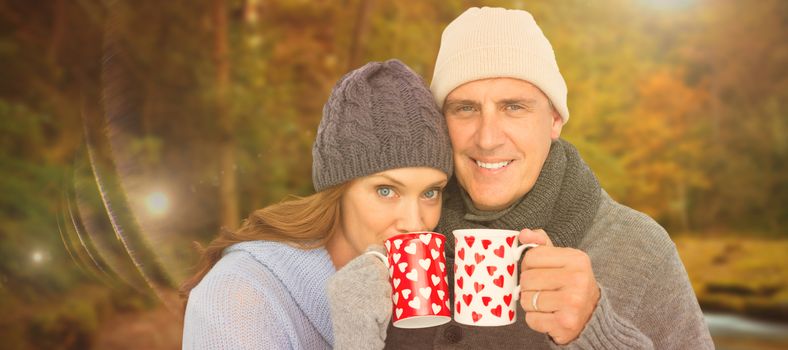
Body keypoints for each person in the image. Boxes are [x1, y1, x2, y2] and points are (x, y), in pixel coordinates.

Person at [382, 7, 714, 349]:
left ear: (555, 119)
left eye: (514, 107)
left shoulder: (639, 251)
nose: (487, 138)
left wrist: (593, 329)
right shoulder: (398, 233)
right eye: (465, 108)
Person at [180, 59, 453, 349]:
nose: (414, 223)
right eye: (386, 191)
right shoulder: (238, 294)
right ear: (338, 188)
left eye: (430, 193)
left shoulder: (415, 293)